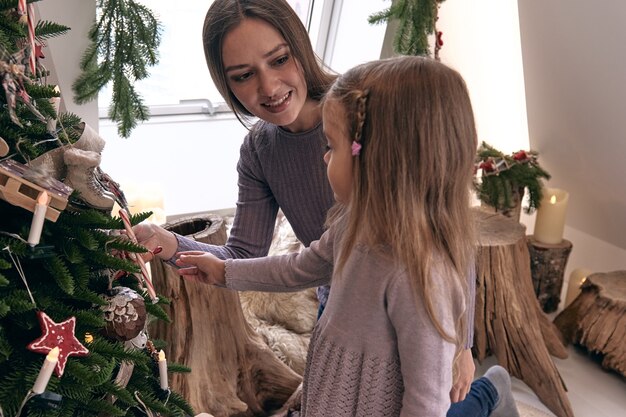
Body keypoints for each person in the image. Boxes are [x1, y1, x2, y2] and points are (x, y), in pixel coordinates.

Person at [134, 0, 518, 415]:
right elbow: (258, 258)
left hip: (402, 307)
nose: (268, 88)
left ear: (299, 47)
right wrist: (170, 245)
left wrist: (459, 343)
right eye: (244, 76)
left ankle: (489, 393)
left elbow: (444, 226)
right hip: (338, 303)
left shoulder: (369, 111)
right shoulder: (263, 152)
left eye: (279, 60)